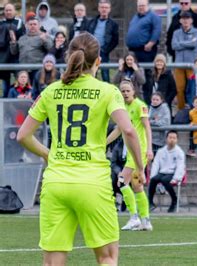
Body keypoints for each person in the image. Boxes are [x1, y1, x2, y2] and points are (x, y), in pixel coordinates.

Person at [16, 32, 144, 265]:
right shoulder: (108, 91)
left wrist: (48, 154)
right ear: (98, 61)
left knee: (53, 262)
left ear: (68, 56)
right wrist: (140, 168)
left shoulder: (51, 90)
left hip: (56, 183)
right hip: (93, 183)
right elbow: (129, 131)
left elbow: (23, 135)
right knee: (107, 258)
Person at [107, 80, 153, 231]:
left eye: (127, 90)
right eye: (122, 91)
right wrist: (104, 143)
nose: (125, 93)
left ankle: (134, 217)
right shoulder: (122, 109)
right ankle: (145, 221)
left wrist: (149, 149)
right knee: (137, 186)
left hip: (139, 150)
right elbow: (118, 130)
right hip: (130, 152)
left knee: (121, 181)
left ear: (133, 91)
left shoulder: (140, 105)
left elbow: (147, 128)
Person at [126, 0, 162, 105]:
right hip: (133, 51)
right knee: (133, 76)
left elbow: (157, 30)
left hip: (145, 51)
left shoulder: (153, 16)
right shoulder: (135, 17)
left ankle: (147, 102)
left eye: (143, 5)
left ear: (147, 5)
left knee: (146, 76)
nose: (141, 7)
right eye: (139, 6)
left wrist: (151, 43)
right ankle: (133, 101)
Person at [149, 130, 186, 213]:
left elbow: (180, 167)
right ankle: (150, 202)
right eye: (170, 137)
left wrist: (176, 178)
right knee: (153, 180)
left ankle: (174, 200)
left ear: (177, 140)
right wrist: (153, 175)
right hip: (162, 172)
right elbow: (156, 164)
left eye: (174, 138)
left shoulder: (179, 152)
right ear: (166, 139)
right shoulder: (160, 151)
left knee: (165, 180)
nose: (172, 140)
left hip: (172, 173)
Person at [172, 11, 197, 110]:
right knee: (179, 89)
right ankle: (181, 111)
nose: (185, 21)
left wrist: (181, 43)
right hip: (179, 65)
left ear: (191, 20)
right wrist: (188, 43)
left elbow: (194, 44)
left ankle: (193, 110)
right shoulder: (176, 33)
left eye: (187, 18)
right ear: (180, 20)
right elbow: (174, 45)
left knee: (192, 89)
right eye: (183, 18)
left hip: (192, 65)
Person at [9, 17, 53, 82]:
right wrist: (13, 41)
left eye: (35, 24)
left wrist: (44, 40)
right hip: (23, 70)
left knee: (37, 91)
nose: (32, 26)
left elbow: (51, 49)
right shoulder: (22, 38)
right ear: (27, 26)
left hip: (37, 70)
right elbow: (14, 52)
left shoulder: (44, 36)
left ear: (39, 25)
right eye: (30, 24)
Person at [88, 0, 119, 83]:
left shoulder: (113, 24)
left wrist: (106, 50)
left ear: (109, 9)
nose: (104, 9)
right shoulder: (91, 22)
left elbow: (115, 40)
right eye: (102, 7)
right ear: (98, 9)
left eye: (106, 7)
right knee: (91, 73)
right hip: (92, 51)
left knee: (105, 73)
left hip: (104, 52)